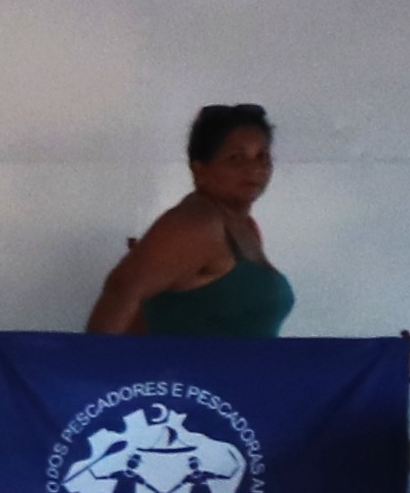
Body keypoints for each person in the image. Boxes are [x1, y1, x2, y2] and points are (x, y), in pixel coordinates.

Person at [90, 101, 289, 338]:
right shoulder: (196, 224)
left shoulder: (245, 227)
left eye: (262, 156)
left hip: (243, 374)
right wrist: (97, 369)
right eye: (236, 158)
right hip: (186, 374)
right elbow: (121, 293)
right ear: (200, 169)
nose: (254, 168)